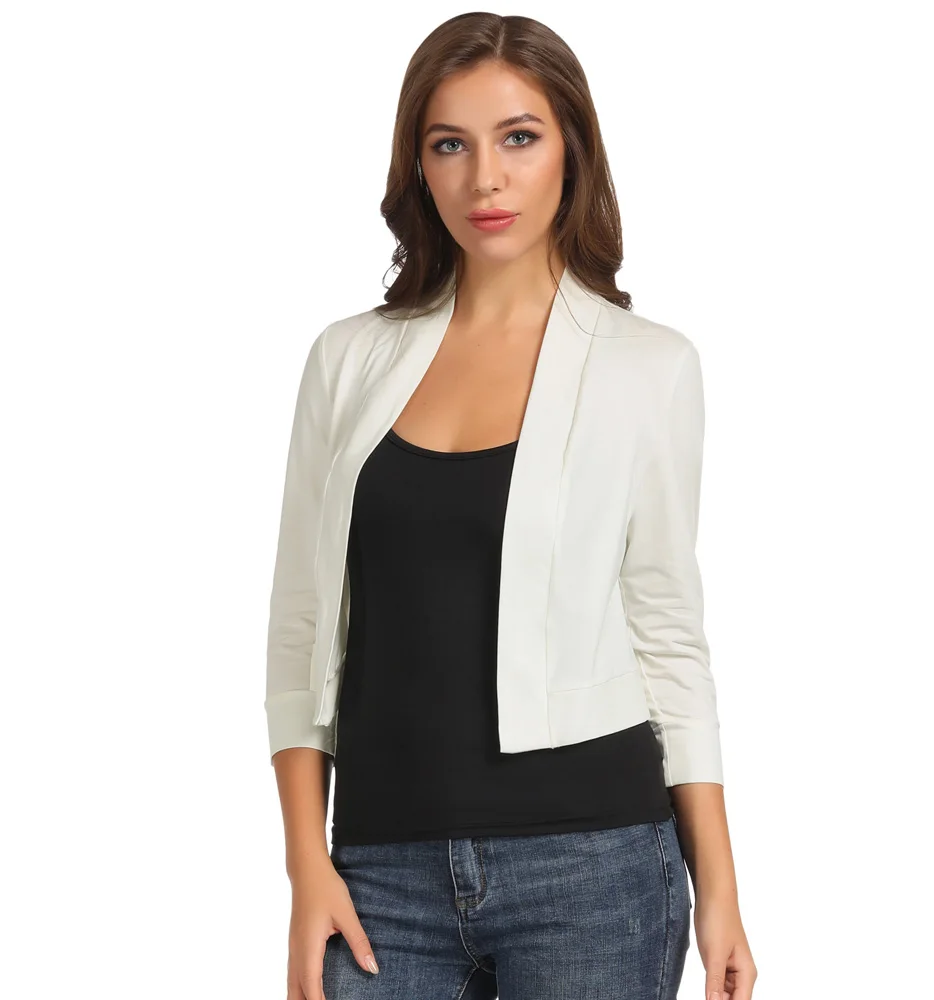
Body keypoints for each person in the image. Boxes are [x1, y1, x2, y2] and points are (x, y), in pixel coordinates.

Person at [266, 12, 756, 1000]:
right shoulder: (346, 360)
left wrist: (721, 891)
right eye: (450, 144)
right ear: (418, 166)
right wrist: (304, 863)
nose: (484, 179)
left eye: (518, 138)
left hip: (594, 868)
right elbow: (301, 626)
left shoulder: (648, 367)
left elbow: (667, 634)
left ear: (572, 148)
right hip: (378, 874)